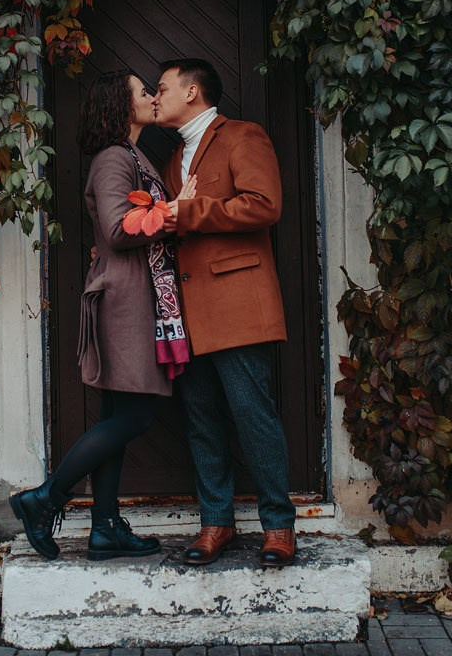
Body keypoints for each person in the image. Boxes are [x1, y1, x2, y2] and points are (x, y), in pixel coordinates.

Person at [10, 69, 195, 561]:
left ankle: (105, 528)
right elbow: (116, 229)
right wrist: (176, 212)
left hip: (133, 297)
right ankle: (44, 498)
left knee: (119, 413)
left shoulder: (133, 154)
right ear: (120, 104)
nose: (153, 97)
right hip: (125, 301)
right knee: (135, 415)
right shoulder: (115, 158)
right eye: (143, 92)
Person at [153, 57, 297, 568]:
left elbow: (264, 204)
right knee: (202, 420)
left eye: (163, 87)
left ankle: (278, 527)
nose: (156, 96)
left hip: (238, 303)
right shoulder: (172, 160)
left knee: (254, 416)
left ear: (192, 92)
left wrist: (186, 212)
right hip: (189, 311)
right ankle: (216, 523)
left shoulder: (242, 135)